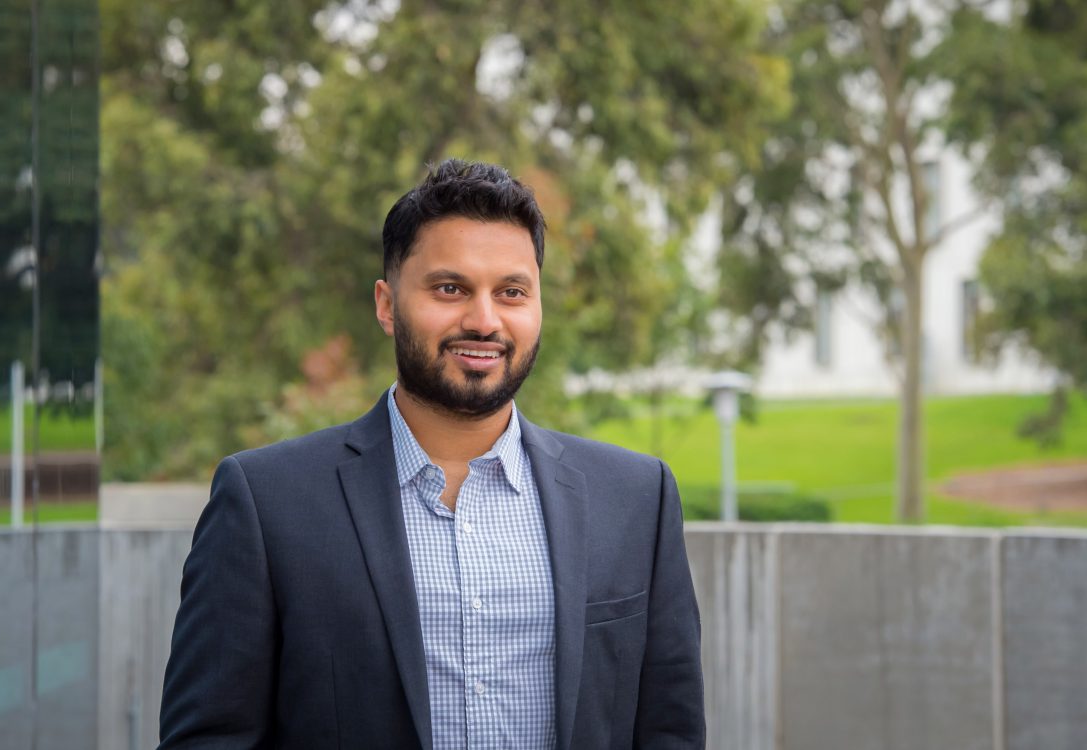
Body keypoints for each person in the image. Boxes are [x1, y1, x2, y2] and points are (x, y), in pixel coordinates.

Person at [158, 159, 704, 749]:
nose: (484, 320)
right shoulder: (266, 503)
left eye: (512, 292)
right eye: (451, 288)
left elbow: (670, 731)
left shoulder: (635, 499)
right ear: (387, 305)